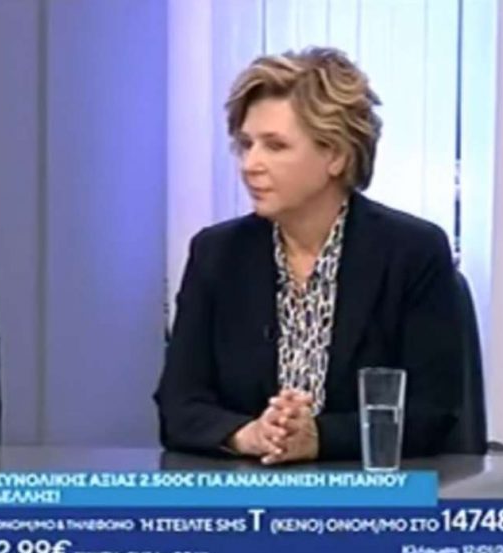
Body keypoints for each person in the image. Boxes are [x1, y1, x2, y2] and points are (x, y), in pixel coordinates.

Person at [154, 47, 461, 464]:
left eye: (275, 146)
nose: (250, 164)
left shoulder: (411, 253)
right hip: (247, 491)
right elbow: (179, 405)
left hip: (366, 495)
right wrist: (249, 435)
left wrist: (318, 438)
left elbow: (431, 412)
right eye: (246, 144)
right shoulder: (217, 255)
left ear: (335, 155)